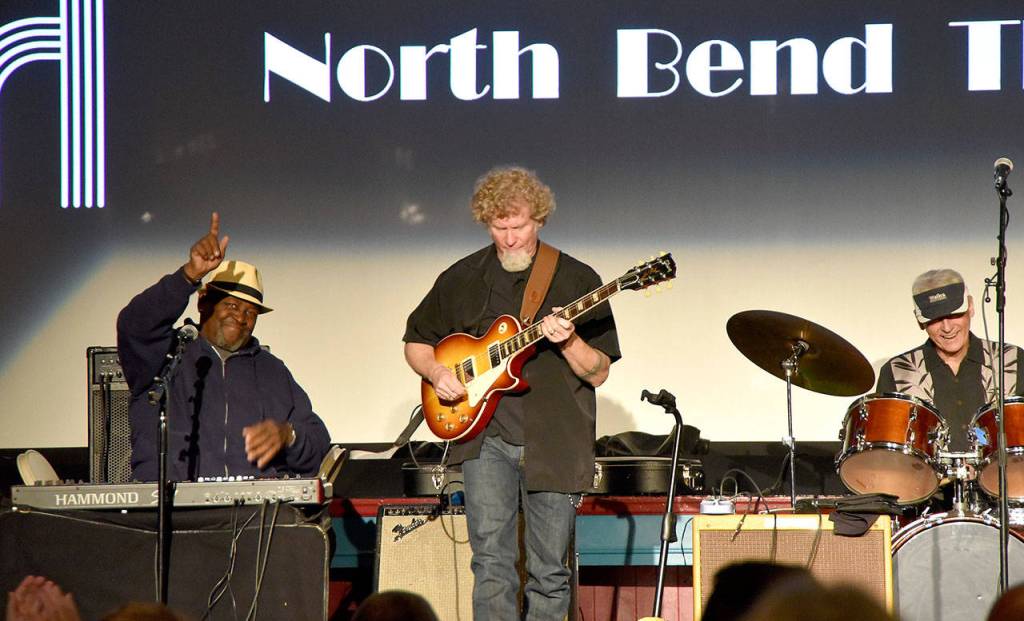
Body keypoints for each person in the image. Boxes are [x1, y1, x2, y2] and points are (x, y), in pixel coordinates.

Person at [403, 166, 620, 620]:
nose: (509, 238)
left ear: (539, 220)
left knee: (549, 572)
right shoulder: (461, 277)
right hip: (484, 441)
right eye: (499, 228)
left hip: (555, 441)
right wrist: (437, 372)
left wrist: (568, 341)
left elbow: (598, 373)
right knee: (491, 566)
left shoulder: (577, 279)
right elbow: (417, 342)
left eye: (518, 226)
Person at [117, 213, 331, 481]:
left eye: (250, 312)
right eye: (231, 305)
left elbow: (318, 441)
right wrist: (188, 276)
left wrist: (289, 434)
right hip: (167, 510)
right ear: (204, 302)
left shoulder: (271, 370)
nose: (241, 317)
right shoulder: (167, 354)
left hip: (256, 515)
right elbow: (133, 325)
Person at [877, 268, 1024, 453]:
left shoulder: (1013, 360)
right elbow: (888, 455)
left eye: (954, 314)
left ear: (970, 307)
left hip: (1006, 481)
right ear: (919, 320)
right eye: (936, 319)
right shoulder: (897, 372)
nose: (947, 327)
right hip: (926, 481)